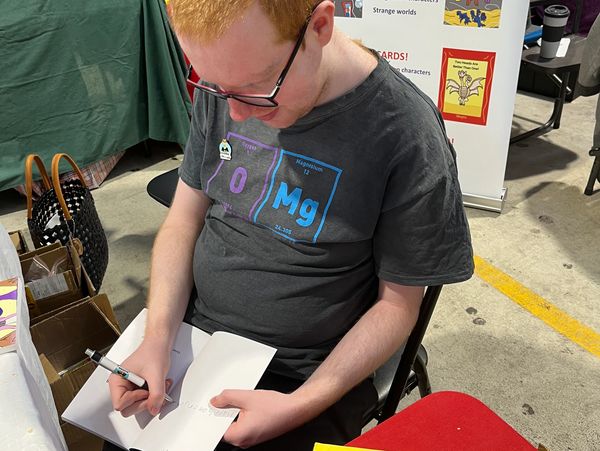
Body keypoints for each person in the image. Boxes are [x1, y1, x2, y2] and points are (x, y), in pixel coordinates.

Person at [107, 0, 474, 449]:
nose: (236, 113)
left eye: (257, 88)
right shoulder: (228, 83)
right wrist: (157, 337)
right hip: (193, 341)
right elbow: (184, 220)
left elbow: (397, 306)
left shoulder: (404, 134)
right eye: (215, 86)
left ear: (319, 26)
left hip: (306, 373)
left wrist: (302, 402)